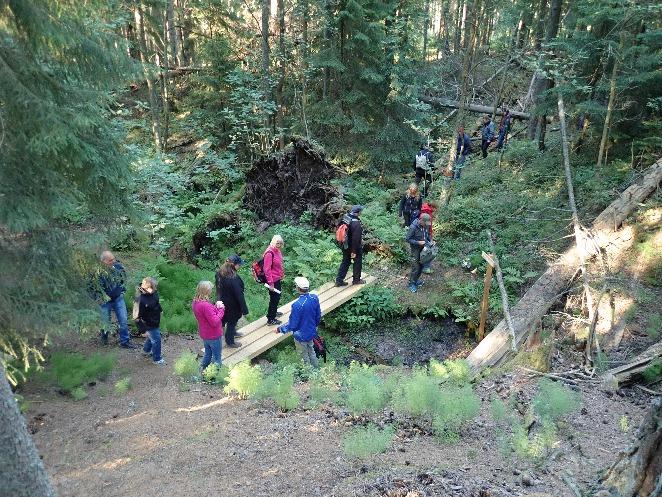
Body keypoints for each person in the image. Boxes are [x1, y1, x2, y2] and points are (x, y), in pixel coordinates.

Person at [276, 277, 321, 368]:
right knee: (311, 351)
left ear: (297, 288)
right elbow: (318, 315)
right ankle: (316, 370)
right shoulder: (314, 298)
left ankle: (308, 374)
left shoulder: (297, 305)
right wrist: (314, 327)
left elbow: (293, 324)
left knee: (303, 355)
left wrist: (280, 329)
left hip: (301, 335)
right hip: (311, 332)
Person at [95, 251, 136, 348]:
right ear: (103, 261)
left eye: (113, 259)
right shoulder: (97, 273)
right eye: (110, 260)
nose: (114, 261)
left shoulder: (118, 267)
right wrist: (98, 298)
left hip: (118, 299)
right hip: (104, 302)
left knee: (123, 320)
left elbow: (123, 279)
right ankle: (104, 340)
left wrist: (123, 290)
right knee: (105, 321)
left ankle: (125, 342)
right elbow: (92, 288)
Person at [215, 255, 249, 348]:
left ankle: (233, 332)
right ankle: (230, 341)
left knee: (227, 319)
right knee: (232, 321)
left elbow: (218, 288)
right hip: (232, 305)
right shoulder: (234, 278)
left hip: (221, 301)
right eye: (239, 265)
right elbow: (239, 295)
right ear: (233, 265)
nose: (240, 266)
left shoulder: (219, 272)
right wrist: (244, 309)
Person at [192, 281, 225, 370]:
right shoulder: (206, 305)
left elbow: (207, 315)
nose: (211, 291)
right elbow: (214, 322)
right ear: (206, 291)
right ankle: (213, 376)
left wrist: (215, 307)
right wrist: (221, 309)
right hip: (213, 335)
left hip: (205, 334)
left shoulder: (195, 302)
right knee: (217, 358)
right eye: (210, 289)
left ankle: (201, 371)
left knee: (208, 354)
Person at [335, 205, 365, 287]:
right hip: (353, 247)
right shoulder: (356, 224)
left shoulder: (345, 217)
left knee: (345, 262)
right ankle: (356, 280)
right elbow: (356, 239)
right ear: (358, 213)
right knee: (357, 262)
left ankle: (339, 281)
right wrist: (354, 251)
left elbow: (338, 228)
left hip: (344, 245)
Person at [137, 277, 165, 365]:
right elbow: (136, 317)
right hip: (148, 323)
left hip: (155, 320)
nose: (155, 289)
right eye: (153, 287)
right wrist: (142, 330)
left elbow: (156, 302)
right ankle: (157, 359)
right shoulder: (140, 299)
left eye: (155, 287)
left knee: (152, 336)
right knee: (157, 339)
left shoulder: (153, 292)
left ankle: (146, 350)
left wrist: (160, 310)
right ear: (145, 287)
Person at [406, 213, 434, 293]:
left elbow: (428, 234)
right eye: (425, 223)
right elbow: (407, 239)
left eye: (428, 224)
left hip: (424, 248)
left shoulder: (426, 225)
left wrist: (431, 241)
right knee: (416, 267)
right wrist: (418, 242)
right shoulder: (413, 227)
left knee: (422, 265)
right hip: (416, 249)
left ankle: (416, 280)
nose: (426, 225)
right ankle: (411, 284)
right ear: (421, 220)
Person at [263, 235, 285, 326]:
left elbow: (280, 263)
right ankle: (270, 319)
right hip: (272, 280)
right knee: (274, 299)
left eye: (280, 243)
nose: (278, 245)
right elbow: (266, 269)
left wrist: (282, 273)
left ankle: (274, 312)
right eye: (277, 243)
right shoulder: (269, 253)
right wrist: (271, 284)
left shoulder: (277, 251)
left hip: (277, 278)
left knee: (277, 297)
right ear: (273, 242)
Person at [419, 201, 437, 274]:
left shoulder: (426, 210)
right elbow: (427, 226)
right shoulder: (426, 212)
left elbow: (429, 225)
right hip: (423, 234)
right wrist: (429, 237)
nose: (436, 210)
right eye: (436, 208)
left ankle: (424, 266)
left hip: (424, 233)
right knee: (429, 250)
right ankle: (426, 268)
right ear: (432, 207)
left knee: (429, 248)